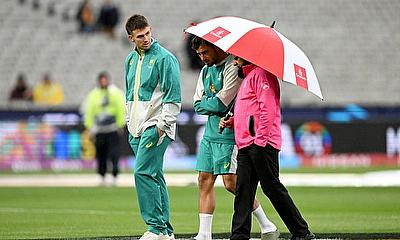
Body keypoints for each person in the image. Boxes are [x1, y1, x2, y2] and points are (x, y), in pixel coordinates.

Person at [191, 37, 279, 240]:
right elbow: (196, 104)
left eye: (205, 53)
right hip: (210, 134)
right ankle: (204, 234)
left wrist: (208, 103)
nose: (202, 58)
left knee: (231, 183)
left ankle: (266, 224)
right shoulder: (205, 71)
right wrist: (208, 103)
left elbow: (221, 104)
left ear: (215, 48)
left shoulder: (233, 67)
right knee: (204, 180)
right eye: (199, 54)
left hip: (229, 134)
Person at [219, 56, 315, 240]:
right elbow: (251, 111)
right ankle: (239, 235)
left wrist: (260, 141)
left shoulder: (262, 75)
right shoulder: (250, 76)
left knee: (271, 188)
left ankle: (302, 232)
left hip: (260, 143)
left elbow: (268, 110)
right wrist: (233, 122)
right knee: (243, 190)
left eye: (237, 57)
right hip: (248, 142)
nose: (233, 60)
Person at [124, 14, 181, 240]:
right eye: (140, 36)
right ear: (131, 38)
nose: (146, 38)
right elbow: (130, 95)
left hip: (155, 126)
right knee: (155, 175)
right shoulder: (130, 60)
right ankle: (166, 231)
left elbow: (173, 97)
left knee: (142, 173)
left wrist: (161, 126)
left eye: (147, 33)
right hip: (135, 129)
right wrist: (129, 123)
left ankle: (155, 228)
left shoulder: (165, 58)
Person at [83, 72, 125, 186]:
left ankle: (115, 174)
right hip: (99, 130)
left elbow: (121, 108)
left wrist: (121, 124)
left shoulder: (115, 93)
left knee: (114, 153)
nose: (103, 82)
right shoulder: (93, 94)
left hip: (112, 129)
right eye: (102, 80)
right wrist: (90, 128)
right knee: (101, 154)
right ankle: (102, 175)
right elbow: (89, 111)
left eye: (105, 80)